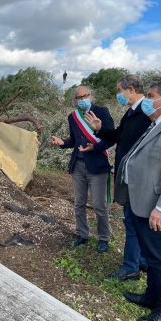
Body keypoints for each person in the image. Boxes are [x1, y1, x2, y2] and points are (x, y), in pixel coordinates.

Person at [84, 75, 151, 280]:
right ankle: (141, 261)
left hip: (139, 176)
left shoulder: (145, 113)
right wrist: (100, 128)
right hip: (129, 174)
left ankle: (131, 266)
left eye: (119, 90)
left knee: (133, 222)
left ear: (130, 89)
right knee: (135, 221)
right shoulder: (131, 112)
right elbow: (118, 136)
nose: (118, 95)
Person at [114, 81, 161, 321]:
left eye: (152, 96)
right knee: (152, 256)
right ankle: (150, 296)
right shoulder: (155, 125)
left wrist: (160, 208)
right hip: (139, 198)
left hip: (153, 204)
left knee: (158, 255)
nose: (148, 101)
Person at [51, 85, 114, 253]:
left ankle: (103, 238)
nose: (82, 99)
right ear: (75, 100)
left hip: (97, 164)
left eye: (85, 96)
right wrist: (63, 142)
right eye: (79, 97)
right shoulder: (73, 117)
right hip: (78, 164)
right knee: (79, 203)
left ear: (91, 96)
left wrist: (94, 148)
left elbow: (110, 138)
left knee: (100, 205)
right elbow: (74, 140)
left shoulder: (102, 112)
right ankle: (82, 234)